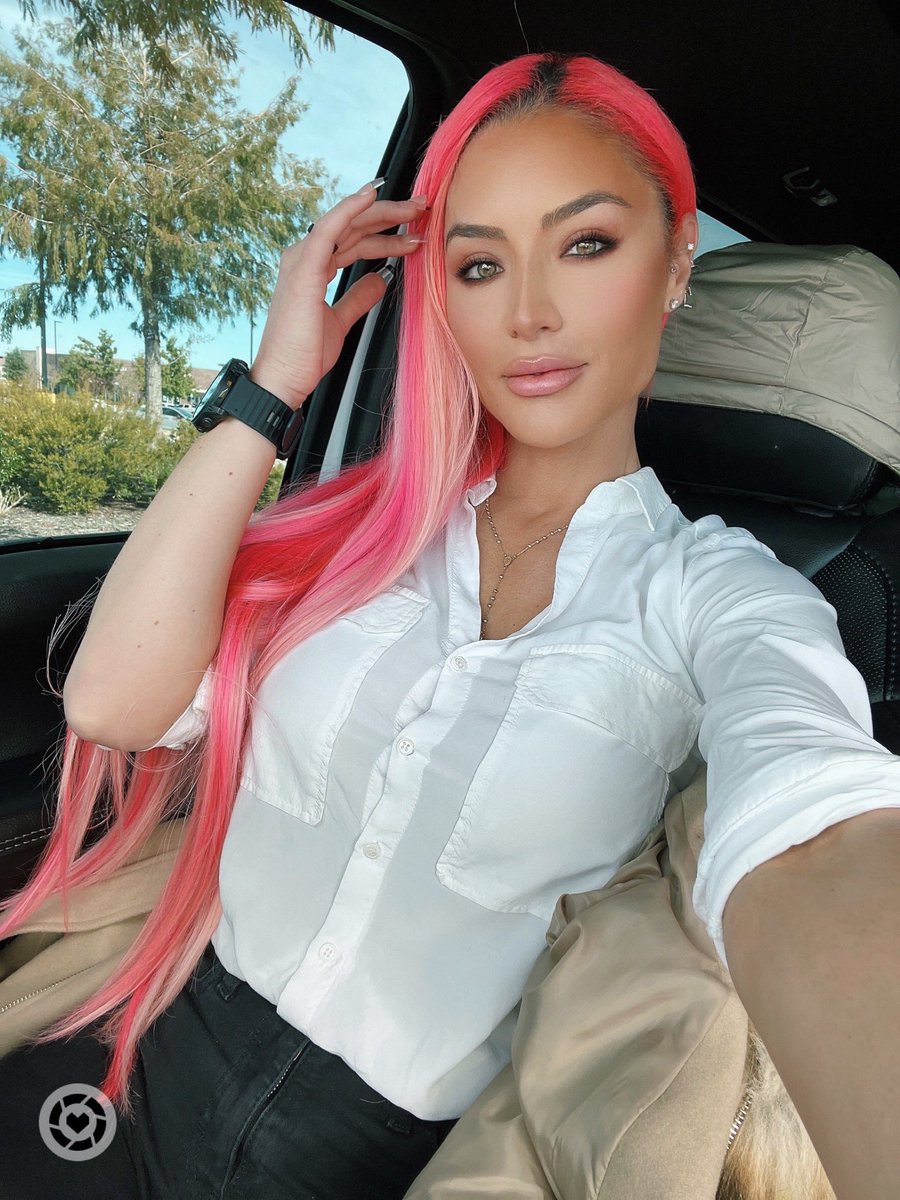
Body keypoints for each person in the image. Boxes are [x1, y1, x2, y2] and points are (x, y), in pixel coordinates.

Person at [0, 50, 897, 1200]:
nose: (529, 312)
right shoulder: (360, 535)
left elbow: (812, 830)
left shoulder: (724, 594)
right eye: (479, 263)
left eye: (586, 244)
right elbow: (113, 702)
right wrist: (274, 387)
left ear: (675, 265)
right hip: (156, 1040)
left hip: (391, 1159)